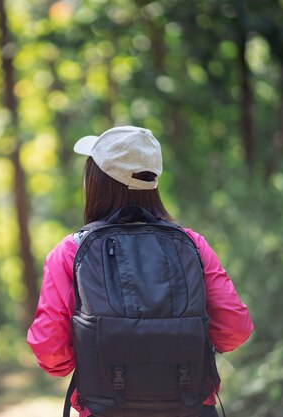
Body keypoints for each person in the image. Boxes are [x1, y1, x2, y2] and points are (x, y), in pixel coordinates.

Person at [27, 126, 254, 417]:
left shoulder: (71, 251)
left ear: (98, 182)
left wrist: (94, 351)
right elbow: (235, 328)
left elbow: (50, 352)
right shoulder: (192, 245)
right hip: (189, 406)